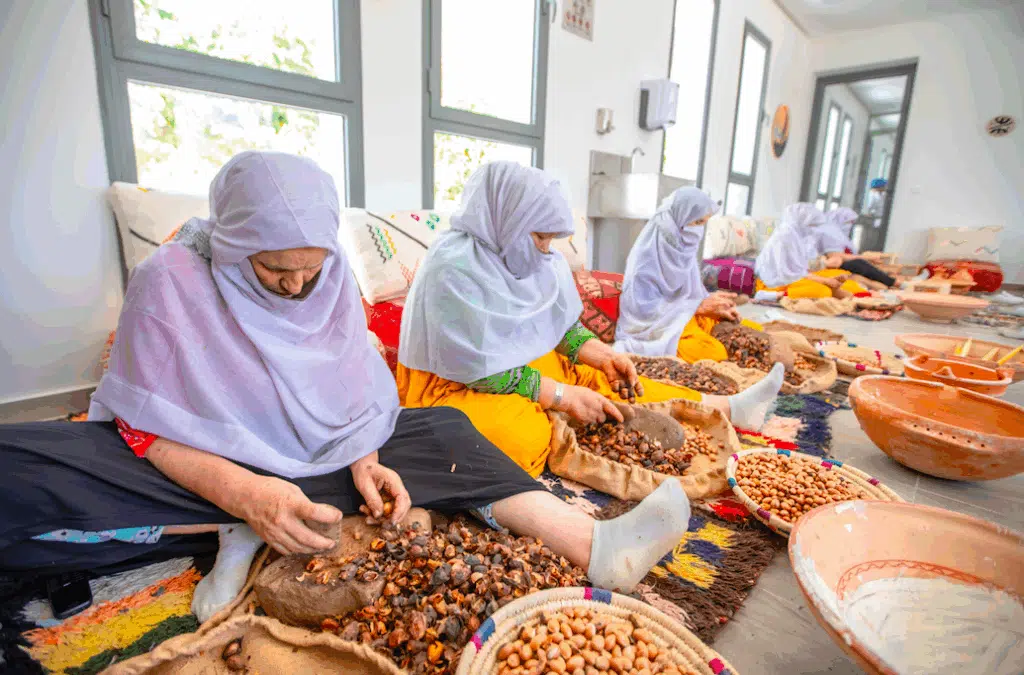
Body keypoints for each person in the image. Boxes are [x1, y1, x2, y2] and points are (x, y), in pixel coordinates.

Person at [0, 152, 699, 622]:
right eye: (275, 272)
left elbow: (352, 389)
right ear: (235, 243)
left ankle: (592, 542)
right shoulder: (170, 283)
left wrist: (364, 453)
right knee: (30, 465)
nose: (300, 286)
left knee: (445, 433)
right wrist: (245, 491)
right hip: (201, 465)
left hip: (313, 458)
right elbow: (140, 427)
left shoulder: (325, 272)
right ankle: (237, 523)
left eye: (312, 268)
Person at [397, 162, 784, 478]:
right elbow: (474, 368)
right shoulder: (452, 270)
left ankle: (726, 406)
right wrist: (559, 395)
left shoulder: (536, 259)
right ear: (505, 220)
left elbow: (558, 327)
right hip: (449, 385)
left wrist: (597, 352)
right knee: (522, 435)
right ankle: (555, 429)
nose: (547, 251)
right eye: (540, 238)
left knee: (603, 378)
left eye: (552, 240)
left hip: (516, 366)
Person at [614, 187, 764, 363]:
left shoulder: (683, 249)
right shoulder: (646, 256)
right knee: (714, 353)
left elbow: (692, 293)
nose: (699, 230)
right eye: (697, 222)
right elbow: (642, 312)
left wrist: (713, 302)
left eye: (704, 223)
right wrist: (698, 307)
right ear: (679, 219)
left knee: (753, 330)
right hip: (658, 328)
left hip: (685, 318)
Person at [754, 203, 868, 300]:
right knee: (822, 291)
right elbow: (792, 274)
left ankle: (860, 296)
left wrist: (825, 278)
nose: (813, 229)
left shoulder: (797, 237)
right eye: (811, 225)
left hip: (796, 277)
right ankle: (771, 296)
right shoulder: (784, 238)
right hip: (774, 283)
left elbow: (804, 268)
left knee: (840, 278)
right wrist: (824, 281)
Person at [816, 207, 898, 289]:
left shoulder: (839, 234)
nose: (850, 225)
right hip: (831, 266)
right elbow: (835, 257)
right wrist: (865, 257)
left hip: (837, 266)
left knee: (865, 271)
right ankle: (893, 283)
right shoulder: (828, 233)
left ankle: (891, 283)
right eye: (848, 222)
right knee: (858, 264)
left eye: (852, 222)